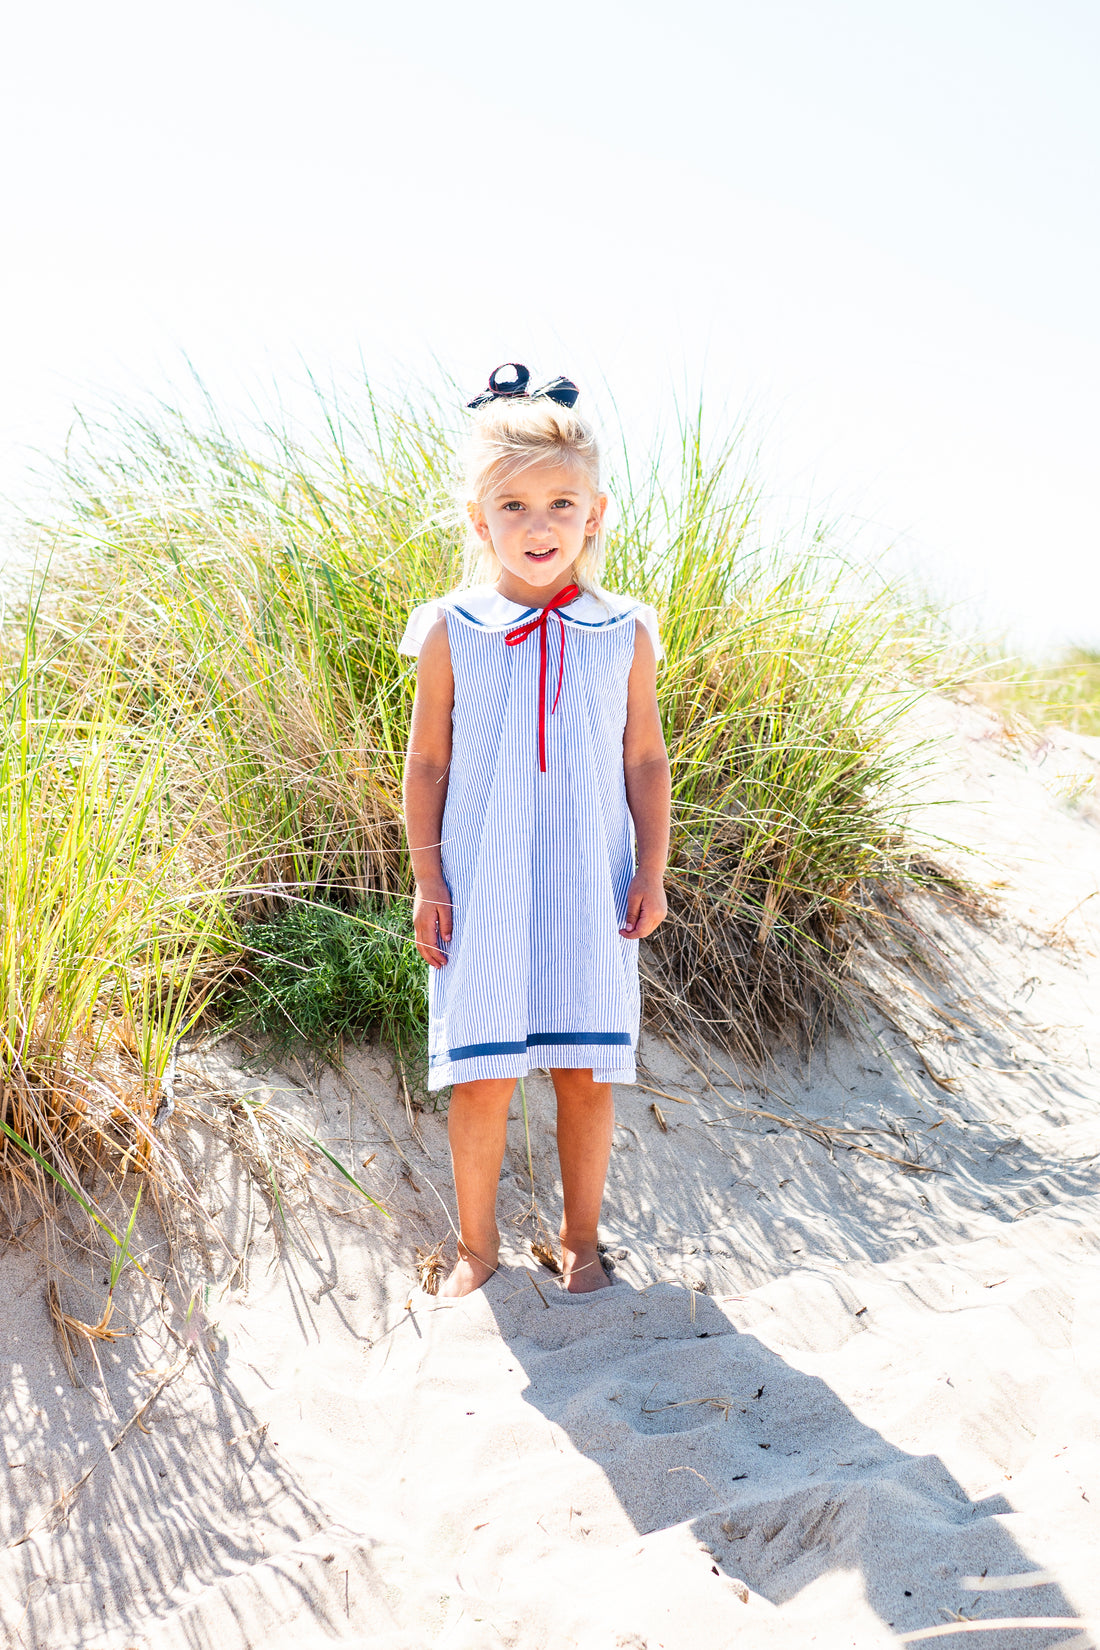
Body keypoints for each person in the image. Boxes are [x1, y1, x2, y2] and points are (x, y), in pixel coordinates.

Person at [400, 364, 671, 1298]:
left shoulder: (623, 630)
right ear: (481, 522)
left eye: (562, 502)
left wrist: (653, 869)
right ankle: (477, 1249)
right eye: (513, 505)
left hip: (588, 883)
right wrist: (431, 883)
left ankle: (581, 1241)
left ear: (594, 514)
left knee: (584, 1072)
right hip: (482, 881)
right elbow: (427, 765)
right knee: (480, 1073)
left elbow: (643, 760)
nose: (540, 523)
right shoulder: (451, 627)